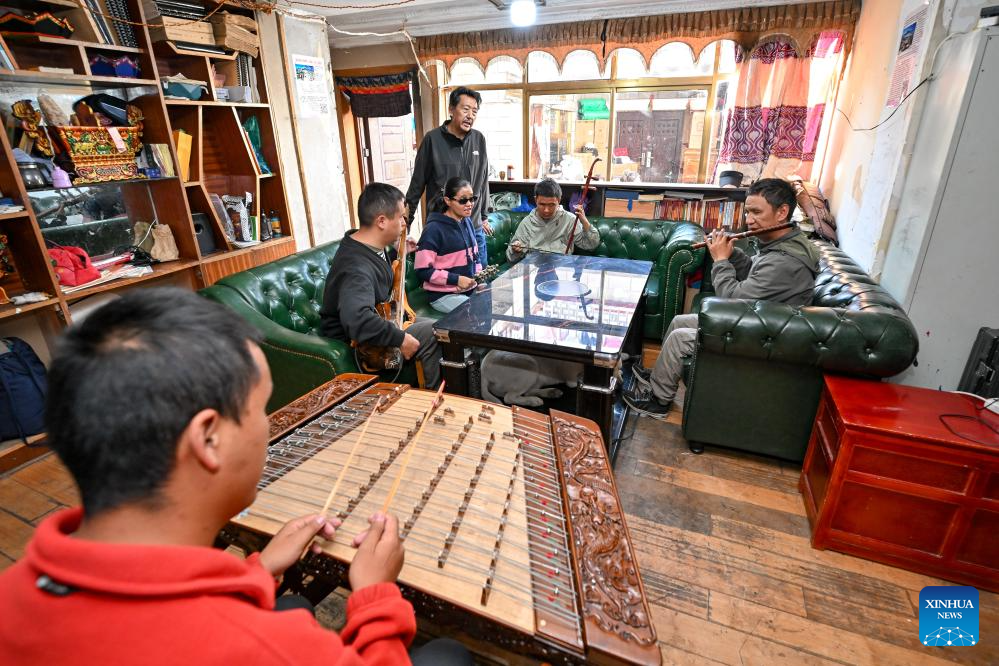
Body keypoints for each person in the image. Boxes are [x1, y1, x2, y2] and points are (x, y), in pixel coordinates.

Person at [0, 288, 471, 665]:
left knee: (293, 605)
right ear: (208, 439)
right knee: (447, 654)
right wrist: (374, 594)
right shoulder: (268, 649)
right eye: (260, 409)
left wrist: (257, 570)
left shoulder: (12, 596)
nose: (267, 425)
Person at [624, 178, 820, 416]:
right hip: (761, 318)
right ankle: (659, 378)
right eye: (747, 212)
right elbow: (753, 273)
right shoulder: (783, 242)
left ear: (782, 212)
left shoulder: (784, 261)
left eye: (757, 212)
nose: (749, 220)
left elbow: (733, 301)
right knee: (679, 321)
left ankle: (658, 401)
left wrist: (720, 260)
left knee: (679, 338)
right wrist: (732, 253)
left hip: (767, 336)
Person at [320, 182, 441, 388]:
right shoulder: (355, 268)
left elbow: (376, 276)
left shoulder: (368, 244)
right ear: (382, 221)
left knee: (441, 329)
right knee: (433, 333)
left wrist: (397, 253)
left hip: (384, 319)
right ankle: (431, 398)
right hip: (360, 347)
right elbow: (357, 319)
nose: (404, 223)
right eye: (401, 217)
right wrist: (400, 339)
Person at [406, 86, 492, 266]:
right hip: (442, 230)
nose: (470, 116)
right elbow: (417, 184)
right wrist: (405, 224)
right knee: (447, 280)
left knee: (481, 279)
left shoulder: (479, 139)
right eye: (465, 109)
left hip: (474, 227)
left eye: (474, 111)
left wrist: (484, 216)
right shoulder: (432, 140)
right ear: (451, 109)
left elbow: (483, 180)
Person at [414, 177, 482, 314]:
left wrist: (479, 279)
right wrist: (456, 280)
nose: (469, 204)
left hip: (467, 291)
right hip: (443, 295)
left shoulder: (466, 221)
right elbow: (422, 270)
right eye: (463, 200)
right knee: (475, 312)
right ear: (447, 201)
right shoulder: (433, 229)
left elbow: (475, 256)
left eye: (472, 199)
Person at [506, 178, 600, 262]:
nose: (546, 210)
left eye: (551, 205)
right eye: (542, 204)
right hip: (534, 267)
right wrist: (515, 249)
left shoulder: (570, 220)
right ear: (536, 200)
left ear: (558, 200)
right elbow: (510, 258)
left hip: (562, 267)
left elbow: (591, 245)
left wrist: (584, 220)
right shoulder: (527, 223)